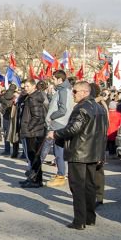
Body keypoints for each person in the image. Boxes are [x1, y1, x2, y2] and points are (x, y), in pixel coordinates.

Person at [47, 82, 108, 229]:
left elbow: (74, 128)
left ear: (85, 92)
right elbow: (103, 132)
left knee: (78, 187)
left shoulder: (81, 108)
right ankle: (89, 217)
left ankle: (79, 220)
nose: (73, 94)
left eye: (75, 91)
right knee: (89, 186)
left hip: (79, 152)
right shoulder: (99, 108)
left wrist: (55, 134)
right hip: (92, 153)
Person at [45, 70, 73, 188]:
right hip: (57, 124)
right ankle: (60, 174)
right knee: (58, 151)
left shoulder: (64, 91)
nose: (52, 81)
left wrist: (51, 116)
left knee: (59, 151)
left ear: (60, 80)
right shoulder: (61, 90)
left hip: (59, 124)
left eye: (54, 79)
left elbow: (63, 110)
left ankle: (61, 175)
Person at [19, 80, 47, 188]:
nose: (25, 88)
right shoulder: (29, 97)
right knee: (33, 157)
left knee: (34, 157)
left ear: (34, 86)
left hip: (34, 132)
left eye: (28, 86)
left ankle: (36, 180)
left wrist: (28, 127)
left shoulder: (33, 98)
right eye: (24, 86)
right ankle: (33, 178)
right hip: (33, 131)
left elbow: (37, 116)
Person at [0, 84, 18, 156]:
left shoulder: (5, 94)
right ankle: (15, 152)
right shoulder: (15, 95)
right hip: (13, 115)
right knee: (14, 133)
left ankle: (7, 150)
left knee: (6, 133)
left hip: (5, 115)